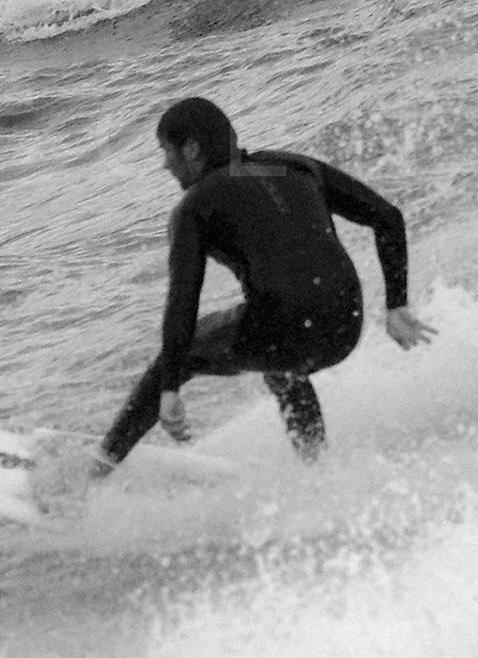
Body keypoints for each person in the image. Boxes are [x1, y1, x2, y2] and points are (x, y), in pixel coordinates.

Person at [98, 97, 436, 468]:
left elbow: (183, 300)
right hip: (345, 324)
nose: (165, 164)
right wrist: (396, 305)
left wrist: (170, 387)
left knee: (189, 349)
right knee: (280, 360)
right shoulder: (294, 166)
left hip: (285, 332)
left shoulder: (194, 207)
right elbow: (388, 217)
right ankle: (314, 462)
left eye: (166, 151)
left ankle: (98, 466)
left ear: (191, 149)